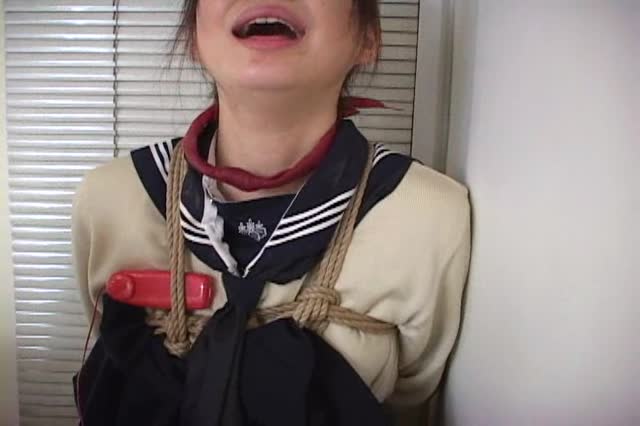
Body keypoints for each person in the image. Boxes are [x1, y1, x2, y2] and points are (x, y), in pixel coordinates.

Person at [71, 1, 471, 425]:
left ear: (368, 39)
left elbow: (410, 396)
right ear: (194, 39)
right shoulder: (113, 200)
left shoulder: (426, 217)